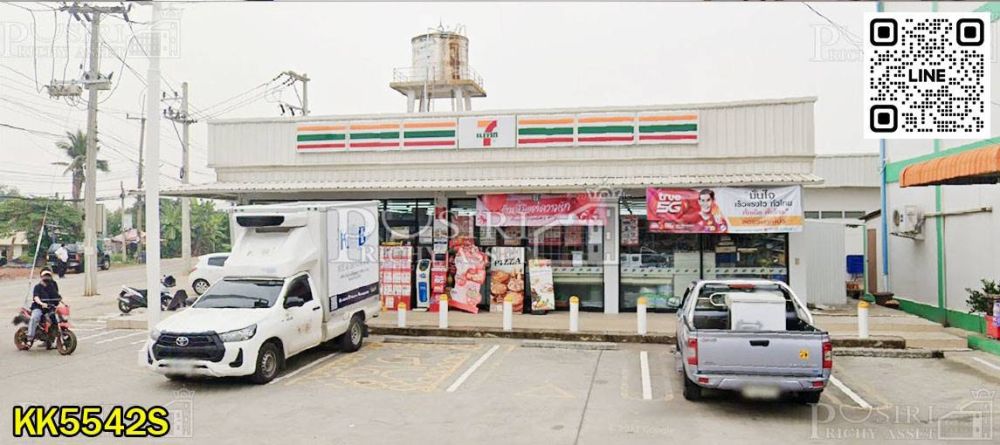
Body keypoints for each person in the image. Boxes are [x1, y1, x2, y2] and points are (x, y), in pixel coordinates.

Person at [27, 270, 62, 345]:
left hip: (49, 308)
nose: (47, 277)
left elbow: (56, 296)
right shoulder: (37, 287)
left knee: (55, 321)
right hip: (38, 307)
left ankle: (50, 340)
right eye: (45, 275)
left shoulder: (51, 287)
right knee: (34, 317)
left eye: (48, 275)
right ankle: (29, 338)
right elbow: (36, 297)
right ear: (41, 277)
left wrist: (60, 300)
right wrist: (41, 303)